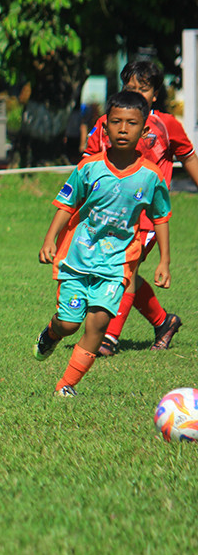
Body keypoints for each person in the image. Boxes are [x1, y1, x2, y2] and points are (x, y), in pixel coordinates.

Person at [34, 90, 171, 397]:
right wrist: (49, 239)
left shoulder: (150, 176)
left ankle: (66, 385)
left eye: (132, 123)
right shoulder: (89, 168)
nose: (123, 129)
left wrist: (164, 261)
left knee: (96, 327)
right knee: (70, 324)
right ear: (104, 127)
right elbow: (67, 204)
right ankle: (52, 332)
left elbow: (161, 217)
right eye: (116, 122)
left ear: (144, 131)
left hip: (116, 265)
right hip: (78, 259)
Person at [83, 61, 198, 356]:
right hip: (108, 215)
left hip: (146, 218)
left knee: (124, 270)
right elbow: (88, 163)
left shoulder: (167, 125)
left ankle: (108, 338)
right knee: (119, 271)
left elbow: (188, 158)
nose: (136, 93)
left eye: (143, 89)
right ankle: (164, 322)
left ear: (155, 94)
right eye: (130, 87)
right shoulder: (106, 123)